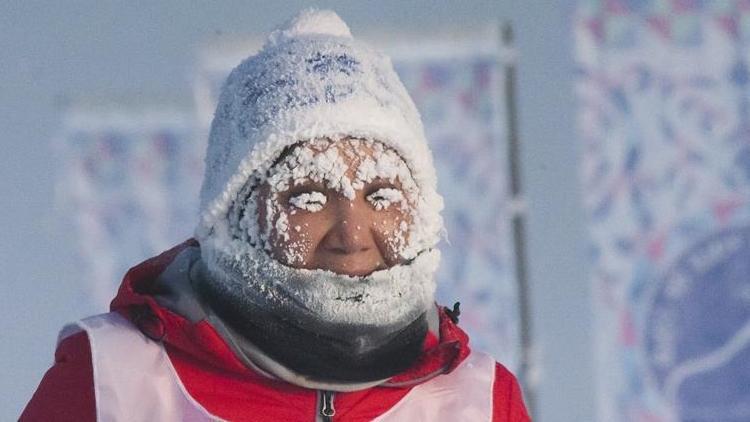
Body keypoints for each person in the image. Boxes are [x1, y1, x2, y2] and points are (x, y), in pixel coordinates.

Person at [22, 9, 530, 421]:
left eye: (381, 195)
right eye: (308, 197)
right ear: (235, 214)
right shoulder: (112, 383)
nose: (352, 235)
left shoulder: (480, 403)